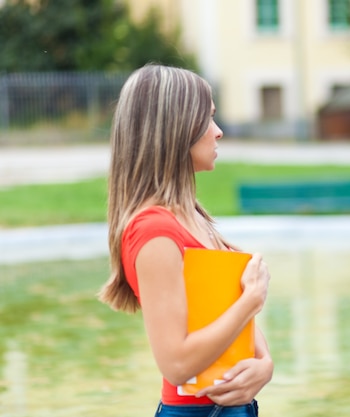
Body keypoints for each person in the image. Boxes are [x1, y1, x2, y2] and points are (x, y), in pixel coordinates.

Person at [98, 64, 273, 416]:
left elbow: (239, 333)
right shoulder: (153, 232)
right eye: (208, 119)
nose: (218, 132)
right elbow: (176, 364)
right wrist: (251, 300)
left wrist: (264, 366)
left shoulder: (195, 218)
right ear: (175, 129)